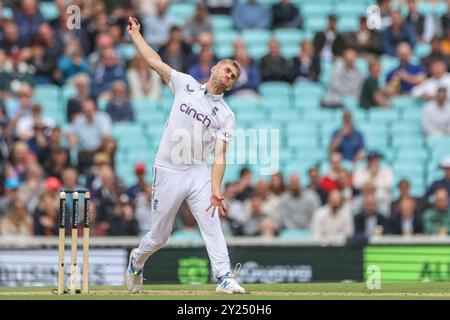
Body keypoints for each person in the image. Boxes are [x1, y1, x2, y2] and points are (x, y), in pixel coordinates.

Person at [125, 17, 245, 294]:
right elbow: (155, 62)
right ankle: (136, 261)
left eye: (233, 76)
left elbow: (220, 155)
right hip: (168, 168)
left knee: (211, 220)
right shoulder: (185, 84)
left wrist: (216, 189)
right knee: (159, 236)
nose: (228, 76)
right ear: (214, 68)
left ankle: (224, 277)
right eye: (226, 70)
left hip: (196, 171)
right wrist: (136, 35)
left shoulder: (226, 115)